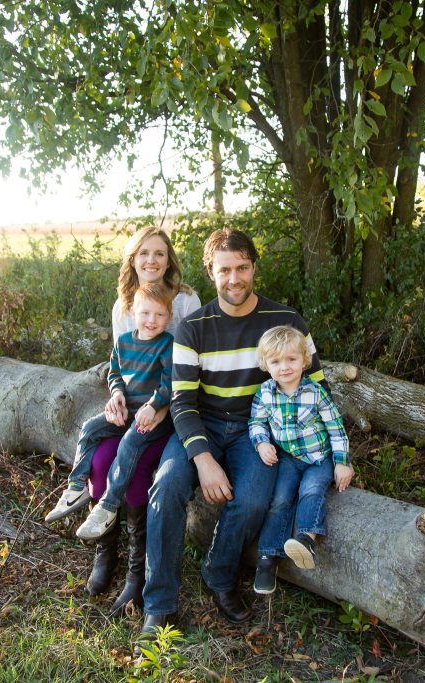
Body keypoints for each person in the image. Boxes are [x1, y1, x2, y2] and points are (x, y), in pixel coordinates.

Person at [139, 227, 328, 638]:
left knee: (255, 499)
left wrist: (312, 444)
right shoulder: (193, 327)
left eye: (243, 267)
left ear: (254, 267)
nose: (235, 278)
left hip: (256, 430)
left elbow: (317, 386)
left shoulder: (285, 320)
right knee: (167, 485)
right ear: (212, 272)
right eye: (225, 269)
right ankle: (159, 603)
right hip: (201, 422)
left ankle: (219, 574)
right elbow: (183, 401)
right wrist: (204, 461)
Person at [46, 227, 200, 616]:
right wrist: (115, 397)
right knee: (100, 460)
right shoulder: (123, 306)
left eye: (160, 254)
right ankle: (105, 551)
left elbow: (187, 367)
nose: (151, 260)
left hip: (168, 410)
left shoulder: (185, 301)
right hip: (131, 406)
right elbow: (121, 365)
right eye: (143, 253)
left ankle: (136, 571)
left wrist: (162, 405)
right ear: (132, 259)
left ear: (169, 260)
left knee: (133, 467)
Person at [45, 282, 175, 541]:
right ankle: (76, 485)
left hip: (151, 416)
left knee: (129, 443)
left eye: (159, 314)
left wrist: (153, 406)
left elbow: (171, 382)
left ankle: (108, 505)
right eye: (146, 313)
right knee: (90, 428)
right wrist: (116, 394)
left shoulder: (167, 345)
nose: (152, 320)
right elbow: (114, 373)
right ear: (134, 313)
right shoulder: (124, 342)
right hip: (125, 410)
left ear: (169, 318)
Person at [247, 325, 353, 595]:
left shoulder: (315, 392)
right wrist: (262, 444)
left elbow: (336, 428)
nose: (284, 367)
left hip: (319, 459)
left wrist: (342, 461)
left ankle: (306, 538)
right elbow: (257, 422)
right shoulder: (265, 393)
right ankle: (267, 558)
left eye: (291, 359)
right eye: (276, 361)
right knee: (280, 498)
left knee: (311, 490)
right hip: (289, 458)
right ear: (266, 365)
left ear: (304, 360)